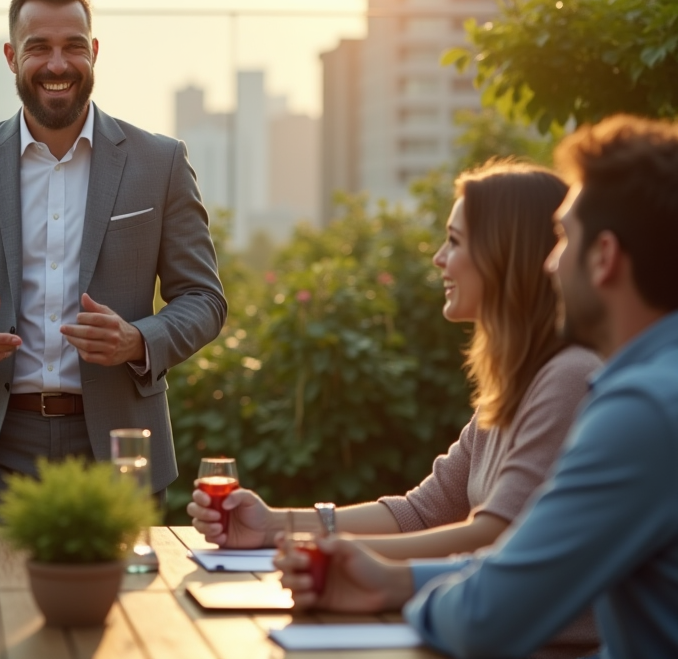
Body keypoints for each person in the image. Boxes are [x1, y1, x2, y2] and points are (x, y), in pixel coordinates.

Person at [275, 116, 678, 659]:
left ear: (604, 257)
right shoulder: (642, 387)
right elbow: (479, 550)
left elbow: (488, 613)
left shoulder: (642, 409)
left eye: (564, 239)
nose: (551, 263)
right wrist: (389, 578)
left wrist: (396, 584)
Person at [191, 162, 602, 654]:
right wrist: (275, 524)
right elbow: (422, 512)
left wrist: (356, 564)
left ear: (503, 255)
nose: (438, 258)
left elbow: (494, 536)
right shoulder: (517, 383)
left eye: (454, 241)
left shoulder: (568, 376)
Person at [0, 0, 227, 524]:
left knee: (125, 610)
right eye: (38, 48)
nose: (57, 64)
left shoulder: (160, 162)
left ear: (93, 52)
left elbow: (204, 299)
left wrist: (138, 340)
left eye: (73, 46)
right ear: (11, 57)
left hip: (118, 449)